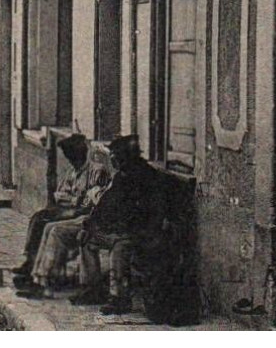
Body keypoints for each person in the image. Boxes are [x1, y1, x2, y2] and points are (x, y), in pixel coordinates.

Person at [73, 135, 167, 315]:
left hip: (139, 233)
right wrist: (90, 224)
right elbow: (104, 204)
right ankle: (93, 289)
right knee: (86, 239)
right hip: (118, 230)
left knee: (120, 246)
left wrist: (126, 228)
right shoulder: (121, 176)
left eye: (116, 155)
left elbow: (151, 213)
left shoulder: (147, 178)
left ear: (128, 156)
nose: (113, 159)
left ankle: (120, 298)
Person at [10, 134, 96, 290]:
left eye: (73, 157)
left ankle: (40, 275)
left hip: (82, 212)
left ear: (81, 154)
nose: (71, 161)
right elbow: (61, 192)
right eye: (69, 158)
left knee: (49, 225)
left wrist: (72, 200)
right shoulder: (72, 171)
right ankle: (31, 261)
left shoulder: (95, 171)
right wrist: (68, 198)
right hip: (68, 208)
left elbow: (90, 201)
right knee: (38, 217)